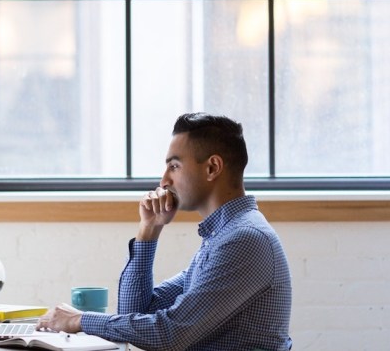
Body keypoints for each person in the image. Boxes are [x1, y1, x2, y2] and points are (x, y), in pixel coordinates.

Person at [39, 112, 292, 350]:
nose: (163, 181)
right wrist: (149, 228)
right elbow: (135, 314)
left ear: (212, 168)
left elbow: (170, 336)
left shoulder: (244, 240)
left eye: (174, 166)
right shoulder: (221, 237)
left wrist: (79, 320)